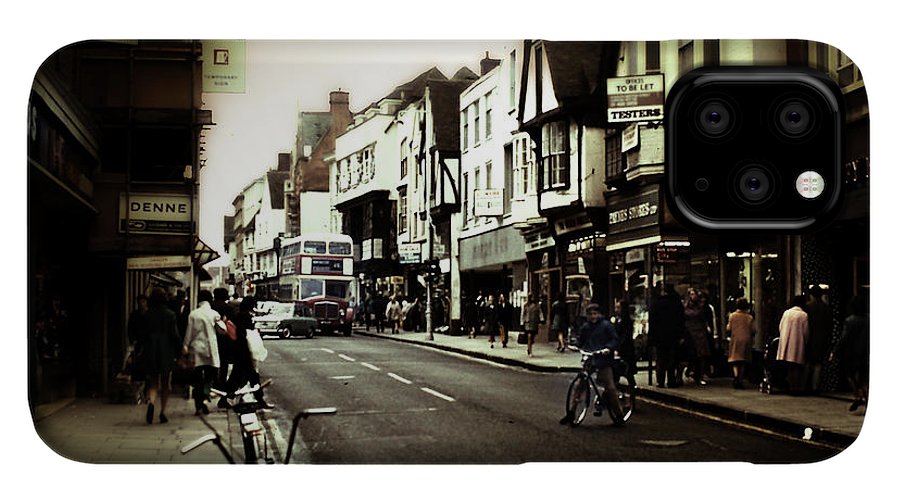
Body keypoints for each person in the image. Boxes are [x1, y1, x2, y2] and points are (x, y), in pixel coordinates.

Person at [562, 303, 627, 426]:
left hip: (603, 359)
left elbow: (614, 339)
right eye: (590, 314)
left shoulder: (606, 326)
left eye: (595, 314)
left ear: (599, 314)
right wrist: (575, 346)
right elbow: (581, 341)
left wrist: (608, 348)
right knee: (579, 385)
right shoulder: (586, 327)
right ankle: (571, 412)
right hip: (590, 358)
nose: (593, 316)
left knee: (610, 387)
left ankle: (619, 415)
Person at [140, 287, 182, 424]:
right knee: (165, 383)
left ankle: (151, 403)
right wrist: (180, 348)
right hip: (165, 351)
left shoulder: (147, 315)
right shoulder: (170, 314)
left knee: (153, 382)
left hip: (151, 350)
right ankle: (162, 412)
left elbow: (143, 335)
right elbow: (174, 335)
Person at [223, 296, 273, 409]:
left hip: (240, 351)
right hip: (244, 351)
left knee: (241, 376)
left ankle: (226, 398)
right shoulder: (245, 316)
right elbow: (245, 334)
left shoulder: (239, 315)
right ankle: (259, 400)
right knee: (250, 376)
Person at [182, 290, 221, 415]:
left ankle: (198, 405)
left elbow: (189, 332)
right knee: (210, 375)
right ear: (210, 300)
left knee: (197, 377)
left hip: (196, 349)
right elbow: (223, 331)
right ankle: (205, 394)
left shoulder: (193, 314)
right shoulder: (214, 314)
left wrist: (185, 345)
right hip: (210, 349)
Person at [830, 296, 869, 411]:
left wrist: (834, 351)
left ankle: (858, 395)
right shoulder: (869, 319)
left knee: (850, 375)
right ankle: (866, 400)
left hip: (852, 353)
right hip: (866, 353)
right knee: (864, 379)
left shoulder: (850, 320)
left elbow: (844, 338)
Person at [648, 284, 687, 388]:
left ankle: (660, 381)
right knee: (671, 359)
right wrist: (681, 335)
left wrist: (651, 338)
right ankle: (671, 380)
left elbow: (652, 322)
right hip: (673, 335)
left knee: (660, 359)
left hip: (659, 336)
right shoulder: (676, 303)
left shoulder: (655, 304)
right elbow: (681, 321)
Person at [777, 295, 810, 395]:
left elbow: (780, 327)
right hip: (797, 342)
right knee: (796, 367)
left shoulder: (786, 313)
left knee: (790, 367)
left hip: (786, 342)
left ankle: (791, 387)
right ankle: (796, 388)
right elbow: (806, 331)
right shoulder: (803, 315)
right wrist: (806, 341)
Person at [804, 285, 832, 394]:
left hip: (809, 338)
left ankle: (805, 385)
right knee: (818, 364)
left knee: (807, 362)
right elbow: (830, 326)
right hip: (822, 339)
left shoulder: (807, 307)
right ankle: (815, 387)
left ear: (811, 295)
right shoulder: (826, 308)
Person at [683, 288, 712, 385]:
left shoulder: (701, 306)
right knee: (691, 354)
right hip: (690, 331)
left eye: (694, 294)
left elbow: (705, 318)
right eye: (691, 294)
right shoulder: (686, 306)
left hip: (700, 331)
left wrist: (707, 326)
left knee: (701, 355)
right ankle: (691, 371)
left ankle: (700, 375)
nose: (693, 296)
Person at [725, 298, 755, 389]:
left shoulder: (732, 316)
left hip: (735, 339)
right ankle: (740, 379)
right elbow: (753, 330)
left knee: (735, 360)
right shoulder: (749, 317)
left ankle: (736, 376)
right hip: (746, 340)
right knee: (743, 361)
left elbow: (728, 328)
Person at [210, 288, 236, 391]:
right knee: (223, 361)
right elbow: (233, 323)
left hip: (212, 336)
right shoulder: (228, 308)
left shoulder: (211, 306)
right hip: (225, 339)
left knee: (212, 361)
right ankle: (222, 382)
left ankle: (214, 382)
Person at [613, 299, 636, 378]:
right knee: (616, 372)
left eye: (618, 308)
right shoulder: (617, 320)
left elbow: (625, 336)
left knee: (628, 373)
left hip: (626, 350)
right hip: (618, 349)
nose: (616, 310)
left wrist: (618, 348)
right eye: (615, 308)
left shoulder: (627, 321)